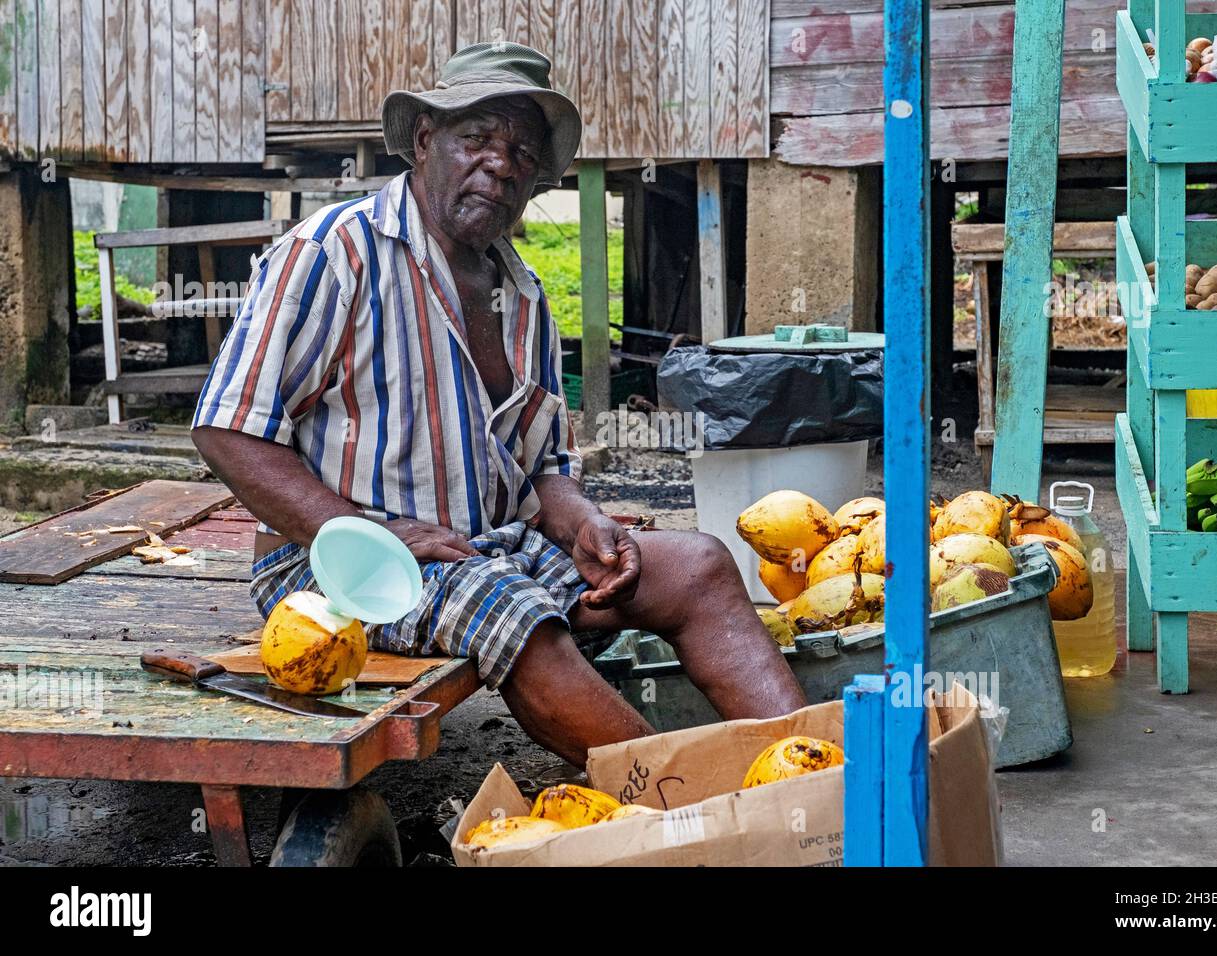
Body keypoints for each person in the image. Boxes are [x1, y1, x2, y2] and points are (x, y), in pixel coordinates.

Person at [191, 42, 805, 766]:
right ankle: (685, 806)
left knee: (696, 565)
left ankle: (817, 777)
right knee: (509, 607)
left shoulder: (523, 295)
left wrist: (584, 523)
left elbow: (542, 465)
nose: (502, 164)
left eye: (521, 151)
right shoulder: (332, 254)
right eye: (478, 138)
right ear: (424, 142)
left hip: (484, 547)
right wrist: (366, 533)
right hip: (331, 569)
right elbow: (228, 431)